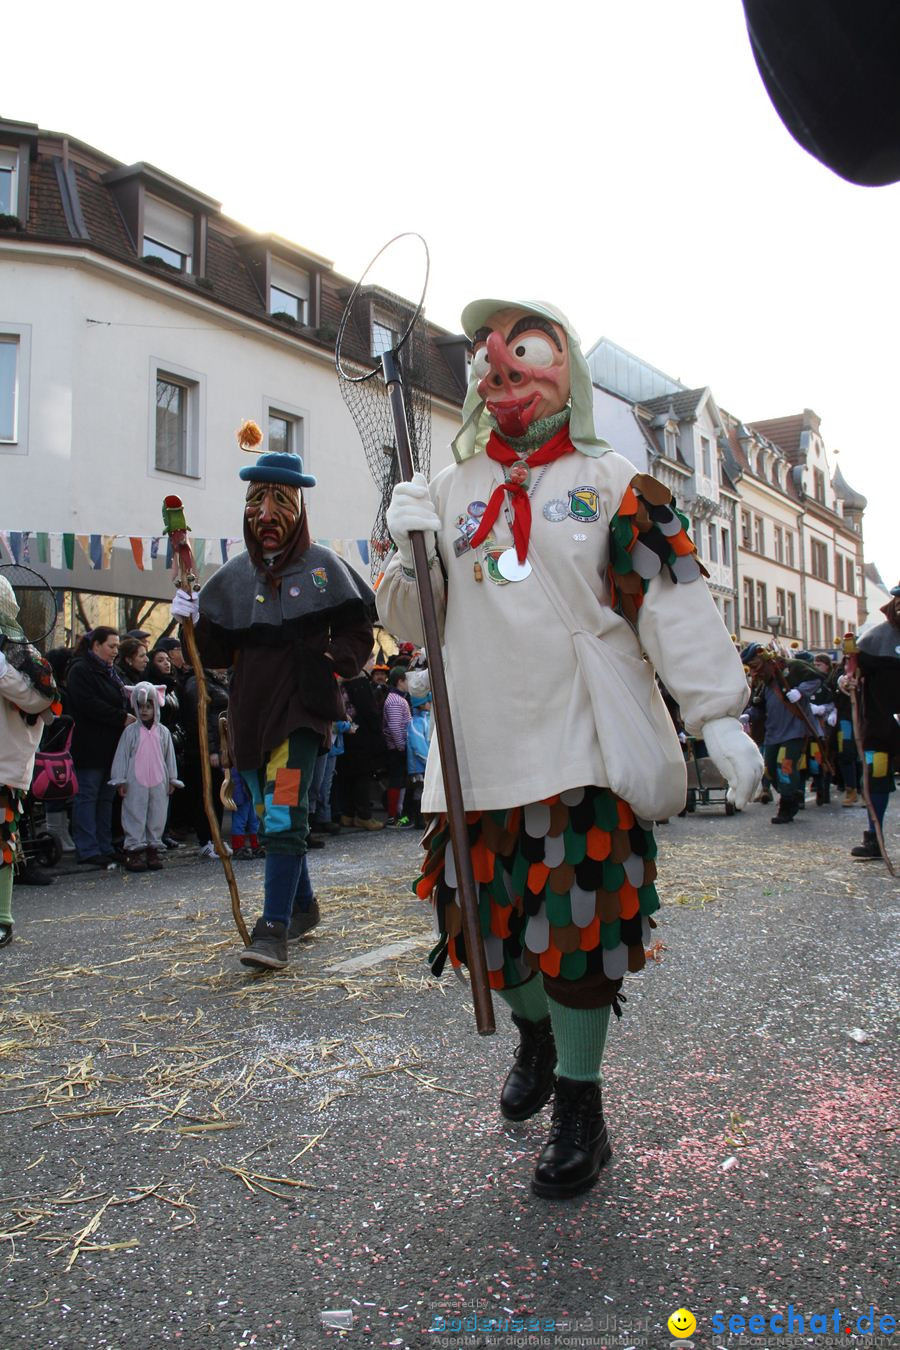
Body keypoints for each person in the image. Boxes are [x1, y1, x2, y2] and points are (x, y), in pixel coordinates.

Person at [377, 298, 762, 1200]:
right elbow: (408, 623)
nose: (502, 369)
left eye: (525, 351)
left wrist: (719, 715)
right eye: (490, 357)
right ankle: (536, 1036)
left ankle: (582, 1109)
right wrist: (403, 549)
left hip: (581, 741)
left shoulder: (614, 476)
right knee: (492, 941)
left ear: (562, 370)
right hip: (480, 749)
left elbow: (669, 596)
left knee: (580, 939)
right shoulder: (448, 485)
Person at [173, 434, 375, 970]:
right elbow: (214, 651)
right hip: (250, 716)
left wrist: (333, 662)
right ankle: (303, 904)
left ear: (299, 508)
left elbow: (359, 633)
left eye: (281, 501)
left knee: (285, 812)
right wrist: (191, 618)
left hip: (302, 715)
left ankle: (274, 929)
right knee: (268, 816)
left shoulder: (324, 566)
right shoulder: (234, 576)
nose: (266, 513)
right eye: (257, 500)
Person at [0, 574, 60, 946]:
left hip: (4, 764)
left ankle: (2, 917)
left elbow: (43, 700)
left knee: (1, 837)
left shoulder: (21, 654)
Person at [839, 584, 900, 860]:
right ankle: (874, 838)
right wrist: (846, 680)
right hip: (881, 728)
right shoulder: (874, 639)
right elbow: (851, 670)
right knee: (876, 779)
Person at [67, 627, 133, 867]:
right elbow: (87, 703)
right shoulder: (81, 670)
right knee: (87, 796)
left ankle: (104, 845)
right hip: (89, 746)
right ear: (96, 645)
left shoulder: (111, 673)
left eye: (117, 646)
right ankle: (87, 848)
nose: (115, 651)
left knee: (106, 798)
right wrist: (119, 717)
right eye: (111, 646)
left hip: (110, 747)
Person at [743, 643, 823, 824]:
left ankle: (786, 807)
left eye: (755, 666)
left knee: (785, 766)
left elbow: (817, 678)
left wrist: (801, 692)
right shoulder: (764, 683)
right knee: (769, 769)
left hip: (794, 729)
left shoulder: (793, 667)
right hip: (773, 731)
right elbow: (759, 707)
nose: (754, 672)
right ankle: (792, 793)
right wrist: (747, 715)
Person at [109, 681, 182, 871]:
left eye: (148, 706)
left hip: (159, 781)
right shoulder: (130, 732)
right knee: (134, 812)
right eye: (140, 707)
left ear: (155, 707)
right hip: (135, 782)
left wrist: (172, 779)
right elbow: (122, 756)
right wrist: (120, 780)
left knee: (157, 813)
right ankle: (134, 851)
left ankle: (152, 849)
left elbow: (169, 757)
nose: (144, 711)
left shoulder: (163, 732)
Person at [382, 667, 411, 825]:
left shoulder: (398, 699)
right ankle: (393, 816)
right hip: (396, 748)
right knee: (396, 781)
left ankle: (398, 814)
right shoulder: (394, 700)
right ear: (400, 681)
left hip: (399, 747)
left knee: (400, 782)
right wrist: (401, 746)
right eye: (407, 680)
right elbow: (394, 726)